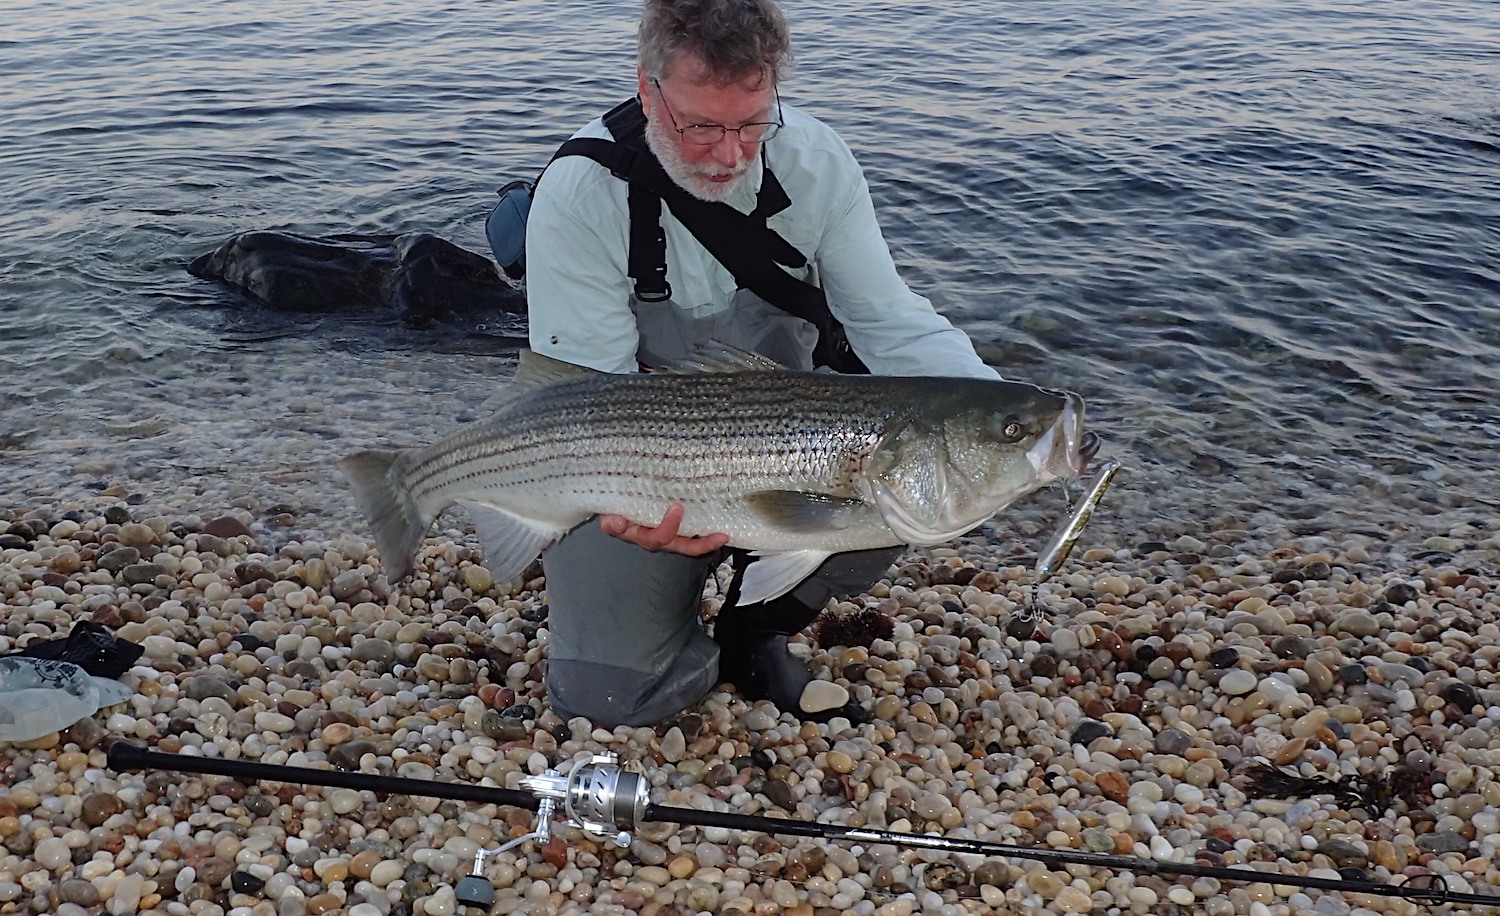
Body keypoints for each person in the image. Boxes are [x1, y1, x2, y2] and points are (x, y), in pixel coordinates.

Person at [512, 0, 1000, 728]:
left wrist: (995, 413)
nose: (730, 155)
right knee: (605, 698)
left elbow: (889, 322)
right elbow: (589, 401)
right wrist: (635, 514)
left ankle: (756, 627)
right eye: (700, 125)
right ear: (648, 91)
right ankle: (689, 620)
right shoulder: (582, 192)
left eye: (751, 124)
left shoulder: (817, 159)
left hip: (796, 451)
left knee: (921, 469)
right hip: (646, 463)